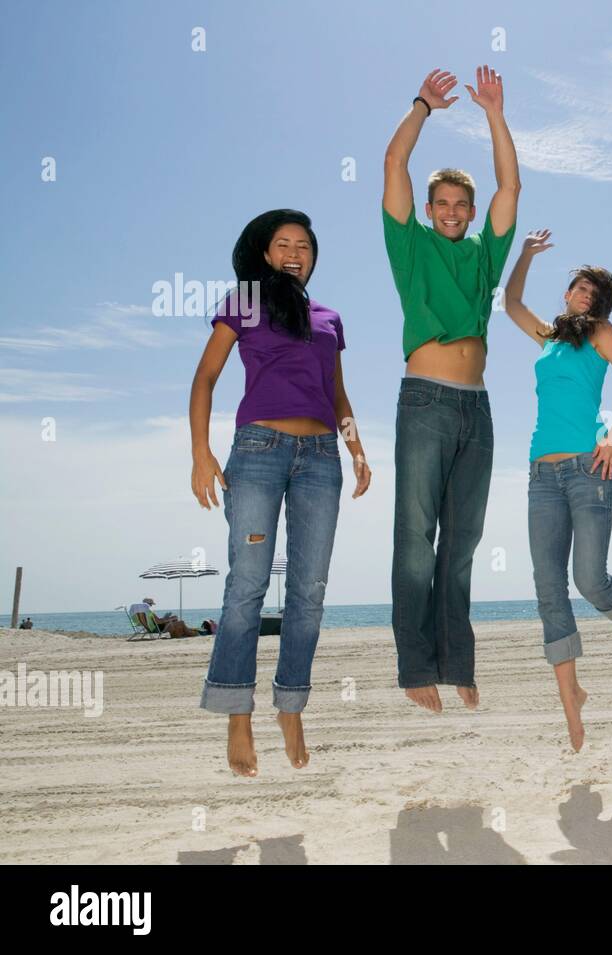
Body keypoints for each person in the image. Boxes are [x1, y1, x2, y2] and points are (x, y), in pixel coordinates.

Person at [190, 209, 371, 777]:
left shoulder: (329, 317)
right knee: (246, 586)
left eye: (304, 245)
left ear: (313, 256)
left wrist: (357, 448)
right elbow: (205, 378)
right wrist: (201, 451)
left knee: (309, 593)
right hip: (259, 454)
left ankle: (291, 706)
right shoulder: (243, 303)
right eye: (284, 243)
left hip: (321, 458)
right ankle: (236, 711)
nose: (295, 252)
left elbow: (337, 393)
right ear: (266, 254)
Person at [383, 66, 520, 714]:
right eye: (442, 204)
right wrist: (422, 107)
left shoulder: (482, 256)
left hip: (477, 410)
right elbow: (394, 162)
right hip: (425, 402)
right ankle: (416, 667)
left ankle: (457, 663)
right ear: (429, 209)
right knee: (417, 537)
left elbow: (510, 186)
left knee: (461, 544)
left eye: (460, 206)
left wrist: (494, 112)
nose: (452, 213)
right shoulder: (408, 246)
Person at [503, 228, 612, 751]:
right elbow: (510, 301)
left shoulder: (601, 334)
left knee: (589, 579)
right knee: (549, 588)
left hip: (591, 468)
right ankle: (571, 701)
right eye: (579, 288)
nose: (585, 295)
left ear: (601, 303)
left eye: (594, 291)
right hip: (541, 475)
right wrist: (523, 254)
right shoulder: (548, 338)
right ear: (567, 294)